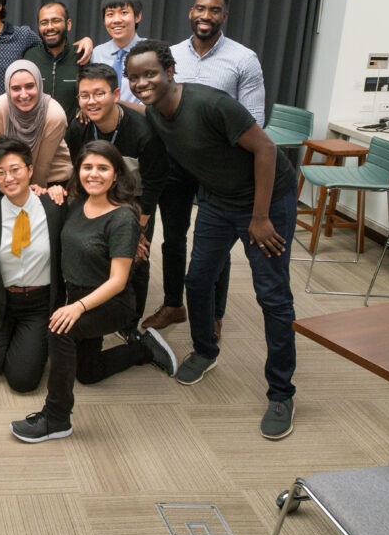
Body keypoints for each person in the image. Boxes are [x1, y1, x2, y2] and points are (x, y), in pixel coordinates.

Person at [125, 40, 298, 440]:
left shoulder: (212, 104)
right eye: (134, 77)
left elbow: (267, 149)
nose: (142, 82)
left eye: (150, 73)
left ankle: (281, 392)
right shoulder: (155, 112)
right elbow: (135, 112)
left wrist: (259, 217)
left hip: (267, 200)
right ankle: (205, 351)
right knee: (198, 279)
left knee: (273, 296)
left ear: (170, 71)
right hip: (219, 201)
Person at [10, 141, 176, 442]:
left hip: (111, 302)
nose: (93, 174)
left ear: (116, 175)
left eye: (103, 168)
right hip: (78, 295)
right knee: (88, 372)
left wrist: (77, 307)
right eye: (87, 167)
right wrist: (45, 191)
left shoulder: (123, 217)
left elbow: (118, 281)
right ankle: (143, 349)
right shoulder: (75, 203)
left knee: (61, 331)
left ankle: (57, 418)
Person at [145, 0, 267, 335]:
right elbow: (155, 103)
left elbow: (254, 120)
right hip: (176, 163)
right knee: (172, 237)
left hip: (218, 169)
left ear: (224, 16)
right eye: (200, 8)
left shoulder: (244, 59)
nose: (206, 16)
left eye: (214, 11)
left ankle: (213, 312)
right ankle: (173, 305)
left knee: (215, 241)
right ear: (190, 12)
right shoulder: (170, 55)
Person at [65, 64, 168, 338]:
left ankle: (130, 324)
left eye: (99, 94)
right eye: (85, 95)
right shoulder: (79, 126)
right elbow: (79, 170)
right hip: (96, 196)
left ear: (116, 94)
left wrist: (140, 232)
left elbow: (154, 184)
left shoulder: (143, 132)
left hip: (135, 201)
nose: (92, 101)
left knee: (137, 257)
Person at [0, 137, 65, 392]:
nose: (8, 178)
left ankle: (29, 341)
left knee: (22, 381)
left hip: (38, 305)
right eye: (0, 172)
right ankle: (13, 338)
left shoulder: (53, 209)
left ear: (30, 170)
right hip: (1, 303)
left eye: (15, 170)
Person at [0, 60, 72, 187]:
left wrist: (29, 197)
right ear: (7, 89)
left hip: (51, 179)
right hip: (11, 177)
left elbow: (43, 165)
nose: (24, 95)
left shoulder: (54, 115)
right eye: (16, 88)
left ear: (39, 85)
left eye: (29, 86)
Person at [24, 1, 83, 121]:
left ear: (68, 24)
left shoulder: (82, 56)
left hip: (71, 136)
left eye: (56, 21)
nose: (50, 27)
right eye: (44, 22)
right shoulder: (30, 56)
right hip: (35, 133)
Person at [91, 0, 146, 105]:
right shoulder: (97, 53)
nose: (116, 20)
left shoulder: (150, 51)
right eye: (110, 14)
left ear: (138, 16)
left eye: (124, 13)